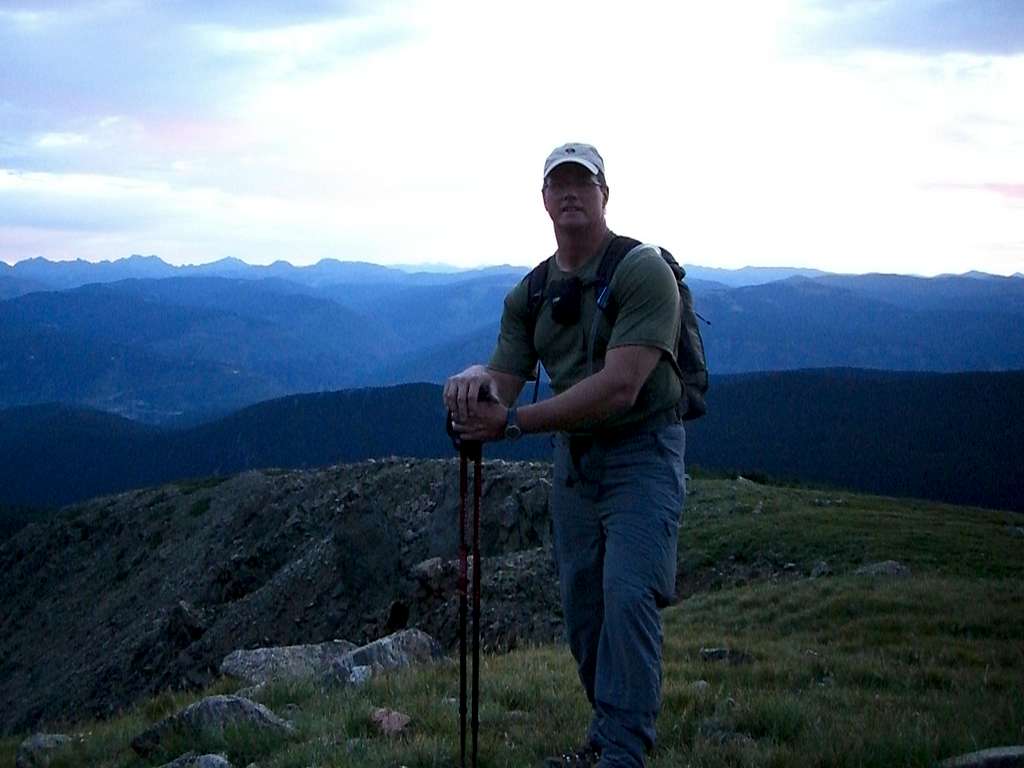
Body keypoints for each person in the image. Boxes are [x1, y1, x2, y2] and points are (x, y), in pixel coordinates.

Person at [443, 142, 685, 768]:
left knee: (629, 595)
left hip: (642, 451)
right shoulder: (532, 293)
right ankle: (606, 736)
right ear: (544, 199)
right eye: (560, 184)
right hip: (575, 464)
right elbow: (507, 375)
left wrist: (514, 422)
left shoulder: (642, 271)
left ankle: (623, 754)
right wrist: (477, 386)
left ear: (606, 194)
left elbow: (622, 386)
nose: (571, 193)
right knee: (585, 612)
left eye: (584, 183)